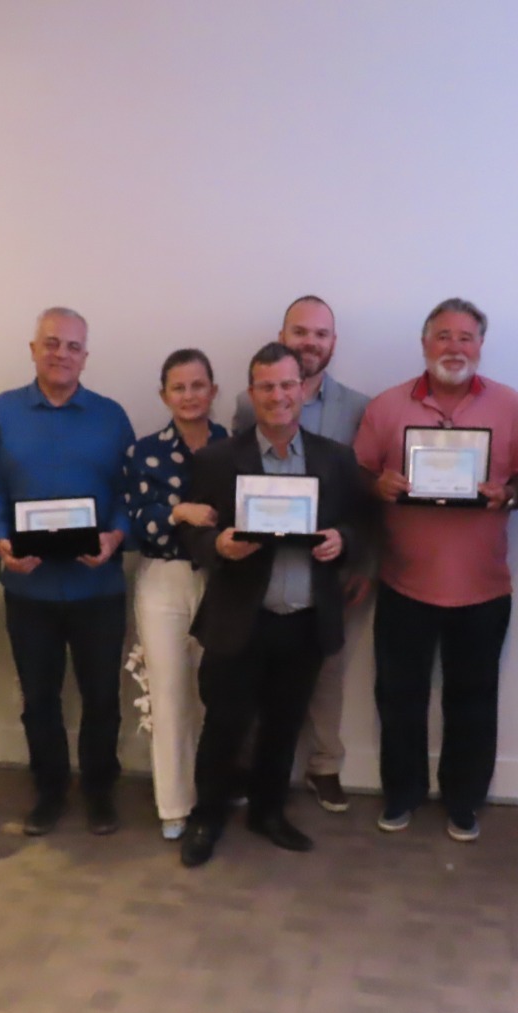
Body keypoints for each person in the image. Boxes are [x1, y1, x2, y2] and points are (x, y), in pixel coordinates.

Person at [353, 298, 518, 841]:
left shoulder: (513, 407)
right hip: (403, 581)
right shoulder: (387, 406)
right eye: (443, 336)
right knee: (399, 697)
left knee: (474, 700)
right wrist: (378, 485)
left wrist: (507, 494)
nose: (454, 347)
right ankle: (402, 794)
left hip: (483, 587)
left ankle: (464, 801)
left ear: (480, 345)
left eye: (465, 337)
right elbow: (358, 472)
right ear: (424, 343)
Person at [178, 343, 367, 867]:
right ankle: (206, 818)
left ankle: (268, 812)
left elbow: (361, 522)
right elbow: (195, 532)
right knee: (224, 725)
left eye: (287, 385)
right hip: (240, 618)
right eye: (267, 386)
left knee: (284, 726)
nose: (278, 396)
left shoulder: (336, 458)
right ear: (251, 393)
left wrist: (343, 540)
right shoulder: (217, 460)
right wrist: (217, 545)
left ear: (302, 390)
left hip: (304, 619)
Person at [0, 307, 135, 836]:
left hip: (98, 586)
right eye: (51, 343)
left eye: (72, 346)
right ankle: (48, 790)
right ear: (33, 349)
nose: (62, 353)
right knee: (38, 699)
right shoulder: (2, 413)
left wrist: (115, 535)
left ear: (85, 356)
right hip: (29, 587)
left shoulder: (111, 416)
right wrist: (0, 540)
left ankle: (99, 791)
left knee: (102, 697)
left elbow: (131, 492)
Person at [229, 296, 372, 812]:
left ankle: (324, 764)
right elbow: (238, 477)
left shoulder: (358, 407)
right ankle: (251, 767)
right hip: (265, 564)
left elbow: (365, 494)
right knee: (255, 671)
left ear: (333, 342)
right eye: (300, 332)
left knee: (327, 670)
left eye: (321, 334)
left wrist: (361, 560)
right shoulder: (249, 402)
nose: (310, 342)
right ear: (282, 337)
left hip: (330, 566)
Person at [123, 349, 228, 839]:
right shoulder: (143, 452)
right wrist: (176, 512)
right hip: (163, 578)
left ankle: (213, 792)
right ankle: (174, 804)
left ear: (214, 390)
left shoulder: (234, 445)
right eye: (179, 387)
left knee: (217, 694)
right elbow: (134, 521)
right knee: (167, 694)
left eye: (198, 385)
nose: (189, 396)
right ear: (164, 395)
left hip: (222, 579)